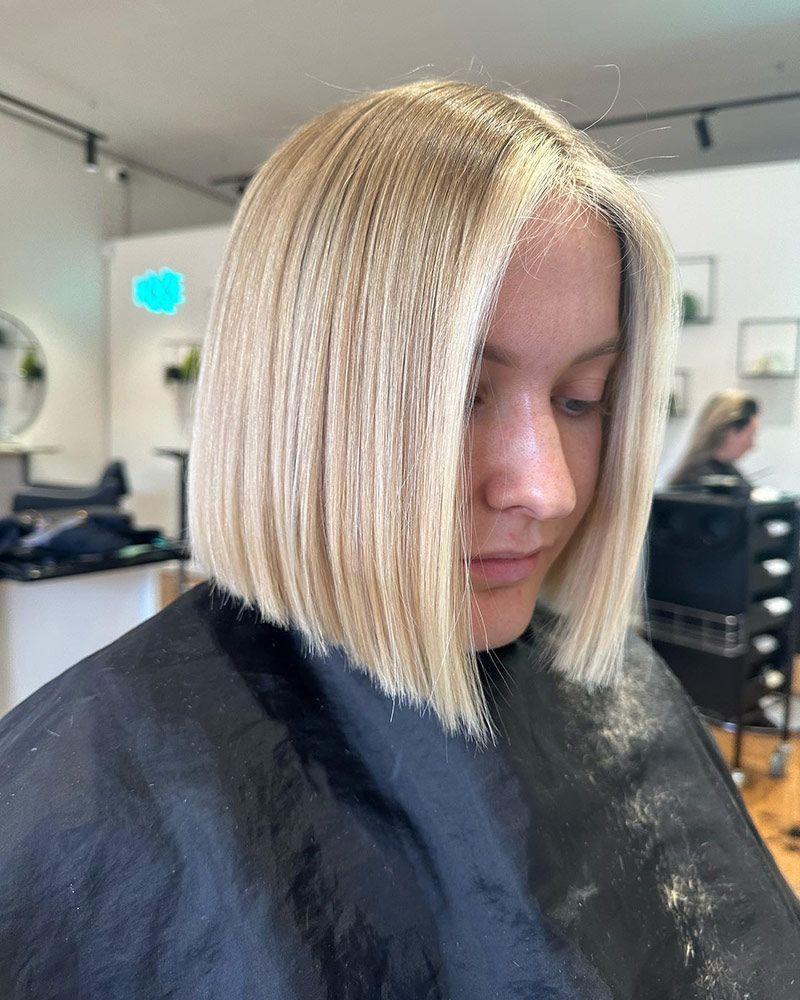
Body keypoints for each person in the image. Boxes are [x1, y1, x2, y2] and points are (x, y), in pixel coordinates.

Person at [1, 81, 798, 999]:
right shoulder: (78, 800)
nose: (549, 488)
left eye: (583, 400)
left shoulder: (625, 690)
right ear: (288, 401)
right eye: (460, 395)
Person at [669, 389, 760, 494]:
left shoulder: (728, 472)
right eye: (750, 436)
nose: (752, 445)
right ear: (730, 432)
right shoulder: (699, 481)